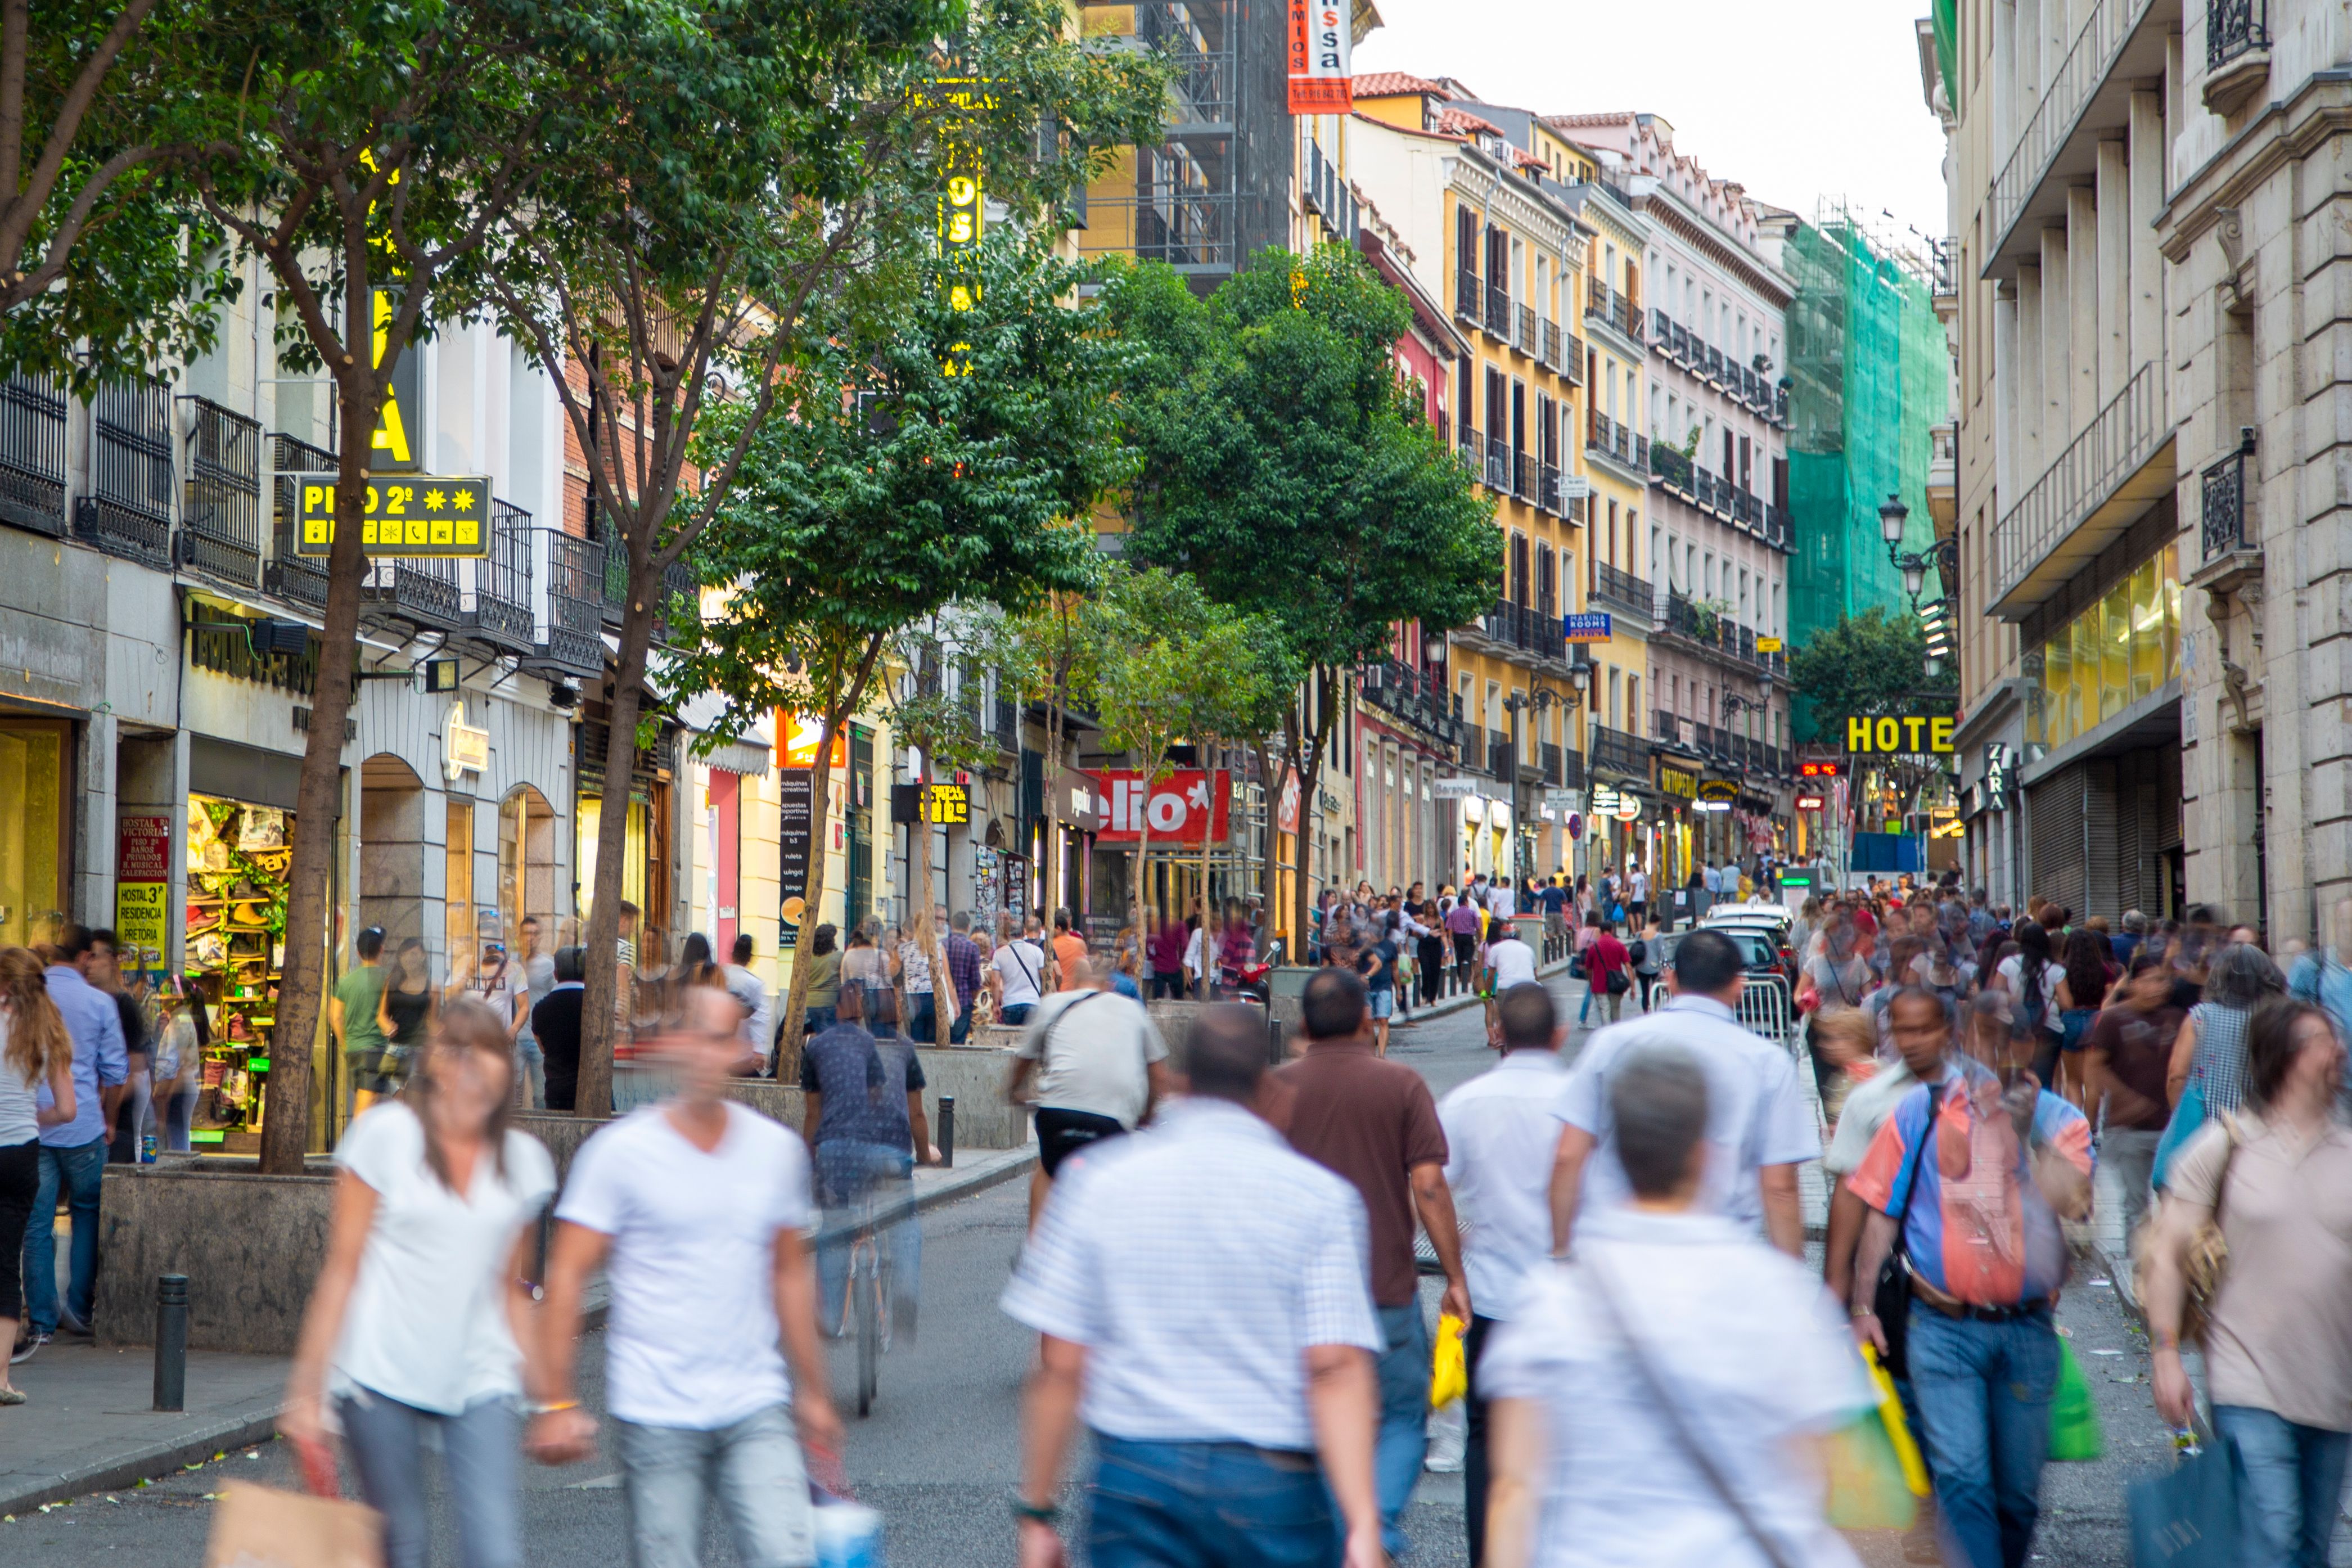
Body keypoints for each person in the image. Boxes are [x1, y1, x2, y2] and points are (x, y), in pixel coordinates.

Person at [1003, 1005, 1385, 1568]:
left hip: (1137, 1474)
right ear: (1265, 1085)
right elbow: (1334, 1366)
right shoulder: (1319, 1197)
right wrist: (1362, 1525)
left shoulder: (1098, 1182)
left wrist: (1038, 1513)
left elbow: (1061, 1363)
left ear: (1182, 1081)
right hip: (1273, 1480)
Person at [1483, 1042, 1871, 1568]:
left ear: (1613, 1153)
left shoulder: (1550, 1303)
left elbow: (1513, 1490)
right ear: (1705, 1153)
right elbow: (1821, 1477)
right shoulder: (1776, 1295)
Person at [533, 985, 842, 1568]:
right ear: (670, 1045)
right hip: (656, 1408)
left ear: (738, 1050)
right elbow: (568, 1274)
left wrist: (816, 1390)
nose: (709, 1051)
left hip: (755, 1401)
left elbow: (789, 1275)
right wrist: (556, 1401)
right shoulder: (620, 1153)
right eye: (698, 1035)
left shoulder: (774, 1151)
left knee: (785, 1553)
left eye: (724, 1036)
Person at [279, 998, 557, 1568]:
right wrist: (307, 1391)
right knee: (402, 1547)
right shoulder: (384, 1136)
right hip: (380, 1370)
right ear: (432, 1061)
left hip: (481, 1373)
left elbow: (514, 1289)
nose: (470, 1066)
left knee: (495, 1553)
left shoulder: (525, 1161)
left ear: (508, 1067)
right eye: (456, 1049)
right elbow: (344, 1266)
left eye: (487, 1051)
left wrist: (557, 1399)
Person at [1846, 1032, 2093, 1568]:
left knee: (2017, 1497)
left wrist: (2023, 1137)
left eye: (2006, 1043)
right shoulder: (1921, 1111)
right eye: (1981, 1042)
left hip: (2027, 1332)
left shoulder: (2063, 1123)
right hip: (1940, 1327)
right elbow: (1882, 1208)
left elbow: (2074, 1212)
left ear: (2029, 1051)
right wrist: (1863, 1305)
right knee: (1961, 1477)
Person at [2144, 998, 2352, 1568]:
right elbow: (2167, 1253)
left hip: (2333, 1388)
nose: (2335, 1050)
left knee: (2309, 1547)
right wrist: (2165, 1353)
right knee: (2274, 1535)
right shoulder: (2227, 1144)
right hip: (2247, 1379)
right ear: (2281, 1057)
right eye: (2316, 1040)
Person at [1274, 969, 1468, 1561]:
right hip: (1384, 1286)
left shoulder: (1273, 1089)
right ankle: (1371, 1528)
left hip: (1296, 1297)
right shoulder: (1402, 1085)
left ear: (1304, 1025)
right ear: (1366, 1020)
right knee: (1401, 1418)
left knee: (1303, 1422)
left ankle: (1332, 1526)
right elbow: (1430, 1185)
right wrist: (1456, 1277)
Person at [1550, 929, 1814, 1259]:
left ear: (1671, 979)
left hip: (1616, 1252)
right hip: (1720, 1256)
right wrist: (1788, 1284)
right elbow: (1780, 1188)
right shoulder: (1768, 1063)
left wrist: (1561, 1251)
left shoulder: (1612, 1044)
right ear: (1738, 986)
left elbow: (1568, 1155)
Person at [1437, 982, 1566, 1565]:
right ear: (1559, 1036)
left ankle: (1488, 1554)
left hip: (1489, 1295)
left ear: (1498, 1035)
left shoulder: (1466, 1102)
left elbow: (1432, 1184)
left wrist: (1456, 1253)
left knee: (1486, 1438)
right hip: (1564, 1299)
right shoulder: (1580, 1103)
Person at [799, 981, 931, 1340]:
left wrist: (810, 1161)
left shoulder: (824, 1049)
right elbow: (916, 1114)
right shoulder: (901, 1049)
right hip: (890, 1155)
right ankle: (904, 1292)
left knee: (834, 1228)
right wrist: (925, 1155)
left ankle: (829, 1317)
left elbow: (815, 1114)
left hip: (837, 1154)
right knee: (904, 1221)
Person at [1005, 957, 1170, 1228]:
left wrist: (1013, 1091)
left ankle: (1036, 1258)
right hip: (1113, 1120)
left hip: (1058, 1114)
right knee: (1117, 1186)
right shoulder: (1132, 1010)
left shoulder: (1053, 1003)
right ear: (1109, 984)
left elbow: (1024, 1059)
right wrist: (1147, 1115)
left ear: (1073, 981)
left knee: (1046, 1173)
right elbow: (1159, 1073)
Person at [24, 926, 126, 1347]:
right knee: (86, 1214)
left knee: (37, 1222)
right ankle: (79, 1309)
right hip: (84, 1124)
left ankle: (43, 1321)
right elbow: (117, 1071)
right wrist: (110, 1119)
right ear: (84, 957)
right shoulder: (100, 1003)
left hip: (34, 1124)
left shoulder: (31, 998)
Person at [2, 948, 76, 1386]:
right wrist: (32, 1118)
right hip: (23, 1154)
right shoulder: (49, 1031)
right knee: (6, 1265)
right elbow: (67, 1109)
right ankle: (3, 1381)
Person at [2081, 954, 2183, 1241]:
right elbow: (2095, 1068)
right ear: (2133, 983)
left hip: (2170, 1127)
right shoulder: (2114, 1019)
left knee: (2174, 1203)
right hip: (2129, 1130)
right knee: (2136, 1206)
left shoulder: (2177, 1019)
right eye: (2149, 980)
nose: (2157, 988)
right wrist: (2126, 1099)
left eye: (2162, 980)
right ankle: (2136, 1270)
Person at [2166, 941, 2287, 1126]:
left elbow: (2177, 1076)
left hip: (2209, 1131)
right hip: (2265, 1131)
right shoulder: (2280, 1017)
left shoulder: (2200, 1017)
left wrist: (2184, 1123)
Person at [332, 925, 394, 1116]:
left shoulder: (345, 982)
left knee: (367, 1099)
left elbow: (335, 1016)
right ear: (381, 950)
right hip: (375, 1048)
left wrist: (345, 1042)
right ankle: (360, 1143)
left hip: (353, 1050)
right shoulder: (387, 979)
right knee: (367, 1103)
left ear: (358, 952)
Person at [2049, 928, 2110, 1107]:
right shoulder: (2104, 969)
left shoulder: (2062, 970)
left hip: (2071, 1020)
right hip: (2096, 1020)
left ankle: (2076, 1127)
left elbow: (2061, 1000)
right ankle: (2090, 1129)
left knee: (2073, 1081)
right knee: (2092, 1084)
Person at [529, 946, 587, 1112]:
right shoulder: (596, 1007)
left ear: (555, 974)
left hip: (557, 1091)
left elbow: (543, 1048)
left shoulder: (541, 1009)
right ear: (585, 974)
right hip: (591, 1090)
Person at [376, 938, 436, 1092]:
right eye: (405, 954)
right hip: (395, 1048)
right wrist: (387, 1026)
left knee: (413, 1096)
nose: (410, 958)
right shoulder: (392, 981)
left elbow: (432, 1021)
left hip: (419, 1049)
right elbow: (381, 1015)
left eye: (414, 954)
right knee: (388, 1097)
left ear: (423, 956)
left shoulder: (432, 986)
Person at [151, 977, 204, 1153]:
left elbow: (179, 1064)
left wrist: (167, 1095)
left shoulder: (180, 1021)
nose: (161, 997)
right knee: (177, 1140)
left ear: (177, 997)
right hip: (177, 1089)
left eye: (164, 992)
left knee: (178, 1145)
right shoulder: (177, 1019)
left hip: (178, 1090)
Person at [513, 916, 555, 1109]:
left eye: (534, 933)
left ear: (540, 937)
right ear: (519, 936)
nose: (530, 938)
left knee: (540, 1095)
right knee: (514, 1092)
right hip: (515, 1037)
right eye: (526, 933)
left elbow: (553, 998)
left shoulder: (548, 964)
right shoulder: (512, 963)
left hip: (539, 1038)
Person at [722, 934, 771, 1064]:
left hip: (719, 1051)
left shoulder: (720, 975)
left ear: (732, 955)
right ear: (751, 958)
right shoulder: (756, 984)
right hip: (743, 1054)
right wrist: (759, 1050)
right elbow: (760, 1018)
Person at [993, 918, 1049, 1027]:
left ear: (1008, 933)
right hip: (1032, 1002)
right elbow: (1045, 977)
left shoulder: (999, 954)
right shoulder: (1037, 951)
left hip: (1010, 1003)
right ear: (1024, 932)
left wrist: (996, 1005)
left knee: (1011, 1041)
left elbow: (995, 982)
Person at [1579, 917, 1632, 1028]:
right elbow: (1628, 966)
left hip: (1599, 984)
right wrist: (1633, 986)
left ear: (1601, 931)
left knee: (1604, 1010)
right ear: (1612, 931)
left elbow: (1588, 968)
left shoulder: (1594, 948)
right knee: (1616, 1009)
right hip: (1616, 984)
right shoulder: (1619, 946)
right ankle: (1616, 1031)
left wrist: (1591, 982)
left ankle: (1607, 1032)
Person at [942, 913, 985, 1044]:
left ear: (951, 926)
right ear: (968, 927)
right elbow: (975, 980)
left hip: (942, 1000)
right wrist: (972, 997)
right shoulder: (972, 947)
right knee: (958, 1042)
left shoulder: (942, 945)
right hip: (964, 1001)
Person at [796, 924, 841, 1044]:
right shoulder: (838, 957)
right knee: (830, 1037)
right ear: (831, 941)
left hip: (811, 1003)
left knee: (821, 1034)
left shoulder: (808, 958)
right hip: (830, 1002)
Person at [896, 926, 941, 1045]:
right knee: (932, 1039)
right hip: (933, 996)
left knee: (917, 1039)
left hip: (913, 996)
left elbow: (893, 971)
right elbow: (945, 975)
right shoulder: (938, 947)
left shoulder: (905, 948)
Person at [1362, 921, 1399, 1055]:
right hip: (1367, 988)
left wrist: (1399, 991)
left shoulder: (1391, 946)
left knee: (1383, 1020)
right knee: (1370, 1022)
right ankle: (1372, 1054)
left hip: (1385, 986)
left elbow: (1395, 969)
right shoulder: (1364, 946)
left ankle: (1381, 1055)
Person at [1447, 893, 1483, 995]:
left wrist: (1450, 938)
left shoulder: (1454, 913)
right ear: (1466, 902)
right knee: (1469, 957)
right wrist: (1481, 937)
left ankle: (1460, 976)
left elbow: (1450, 926)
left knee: (1459, 956)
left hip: (1458, 937)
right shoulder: (1472, 913)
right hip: (1469, 937)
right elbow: (1478, 926)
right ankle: (1469, 976)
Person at [1050, 908, 1085, 994]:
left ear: (1058, 928)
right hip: (1075, 992)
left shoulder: (1051, 945)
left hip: (1056, 992)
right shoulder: (1080, 943)